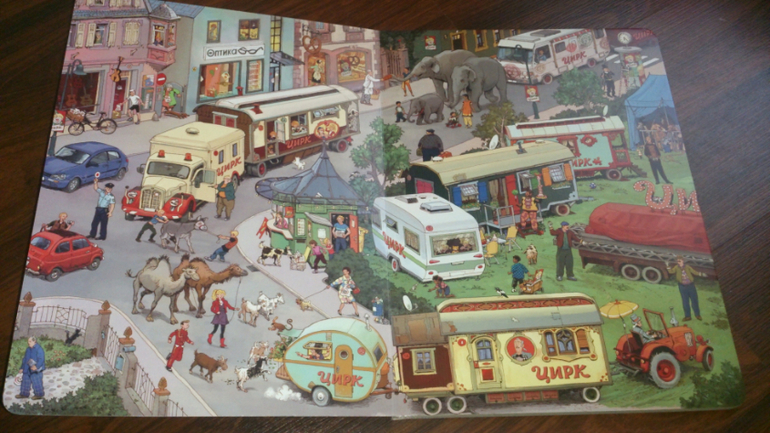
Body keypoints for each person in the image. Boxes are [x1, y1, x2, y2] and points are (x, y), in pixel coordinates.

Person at [666, 256, 708, 321]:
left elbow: (694, 272)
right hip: (682, 287)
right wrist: (667, 266)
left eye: (680, 261)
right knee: (685, 301)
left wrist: (701, 274)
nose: (678, 262)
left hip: (691, 286)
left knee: (694, 300)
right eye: (677, 261)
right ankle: (688, 316)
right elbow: (671, 271)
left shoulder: (687, 267)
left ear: (683, 260)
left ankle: (697, 315)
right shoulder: (676, 267)